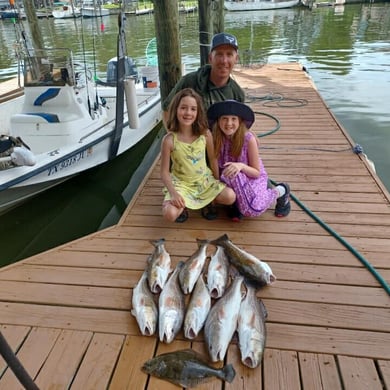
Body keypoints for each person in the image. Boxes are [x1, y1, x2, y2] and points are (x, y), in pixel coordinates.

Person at [160, 88, 236, 223]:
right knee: (169, 214)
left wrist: (217, 181)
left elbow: (213, 159)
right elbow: (164, 172)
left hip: (204, 181)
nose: (188, 113)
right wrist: (173, 193)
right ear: (176, 110)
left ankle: (206, 201)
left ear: (198, 112)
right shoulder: (169, 140)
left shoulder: (205, 134)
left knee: (230, 196)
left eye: (193, 109)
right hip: (181, 184)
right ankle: (183, 205)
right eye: (183, 108)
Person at [207, 100, 291, 221]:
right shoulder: (215, 137)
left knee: (254, 208)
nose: (229, 123)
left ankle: (281, 190)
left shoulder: (248, 139)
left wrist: (241, 166)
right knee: (231, 175)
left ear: (240, 121)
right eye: (224, 118)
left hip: (252, 177)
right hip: (229, 178)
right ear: (218, 121)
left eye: (233, 119)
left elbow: (256, 172)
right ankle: (237, 204)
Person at [162, 32, 245, 125]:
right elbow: (167, 109)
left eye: (229, 55)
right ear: (210, 58)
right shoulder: (189, 81)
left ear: (236, 59)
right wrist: (173, 136)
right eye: (219, 54)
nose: (224, 60)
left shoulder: (238, 94)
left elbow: (239, 126)